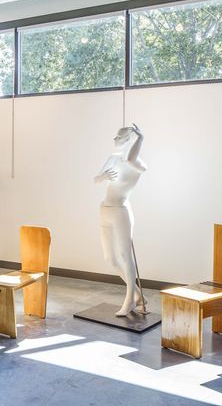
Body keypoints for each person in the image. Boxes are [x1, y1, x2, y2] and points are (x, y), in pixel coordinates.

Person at [94, 124, 147, 316]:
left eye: (120, 136)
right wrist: (103, 176)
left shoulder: (137, 164)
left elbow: (131, 158)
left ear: (130, 140)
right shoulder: (113, 159)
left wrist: (140, 139)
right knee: (111, 259)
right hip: (105, 210)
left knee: (126, 257)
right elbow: (96, 179)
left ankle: (130, 300)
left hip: (121, 212)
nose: (115, 139)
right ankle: (137, 294)